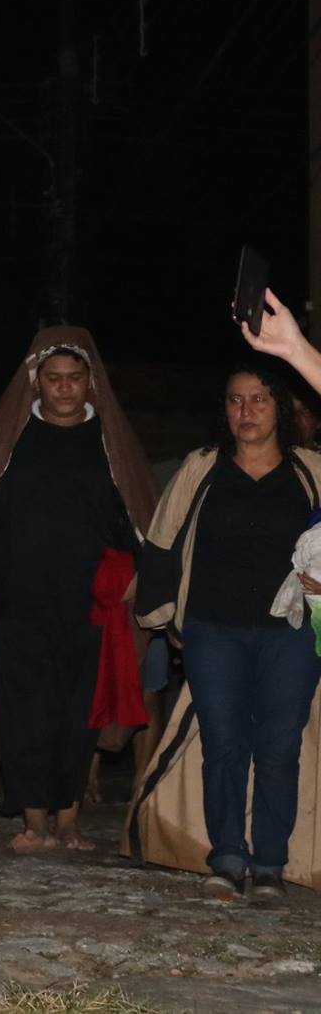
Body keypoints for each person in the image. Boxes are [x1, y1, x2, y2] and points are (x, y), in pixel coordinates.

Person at [0, 328, 158, 856]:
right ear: (36, 382)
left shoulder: (110, 445)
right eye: (54, 378)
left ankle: (69, 818)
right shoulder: (11, 443)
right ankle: (34, 818)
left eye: (74, 378)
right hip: (20, 596)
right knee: (26, 706)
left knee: (78, 707)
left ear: (90, 382)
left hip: (91, 601)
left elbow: (137, 518)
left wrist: (138, 571)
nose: (64, 388)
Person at [134, 361, 321, 896]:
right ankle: (228, 857)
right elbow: (163, 539)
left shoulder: (311, 470)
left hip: (291, 633)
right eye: (236, 400)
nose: (247, 411)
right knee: (223, 743)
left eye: (259, 399)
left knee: (279, 746)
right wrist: (163, 617)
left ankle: (270, 863)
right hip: (213, 628)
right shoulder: (201, 468)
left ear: (279, 408)